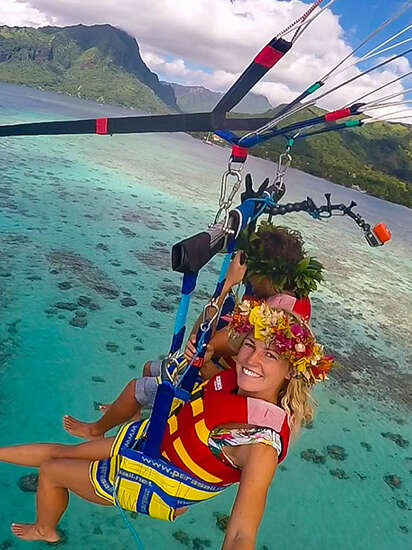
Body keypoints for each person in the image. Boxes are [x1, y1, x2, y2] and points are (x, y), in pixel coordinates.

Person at [0, 303, 332, 549]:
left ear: (291, 371)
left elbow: (241, 532)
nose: (251, 360)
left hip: (153, 480)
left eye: (271, 356)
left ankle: (46, 530)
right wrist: (222, 294)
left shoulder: (259, 444)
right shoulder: (232, 380)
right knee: (64, 452)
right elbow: (211, 339)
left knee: (50, 471)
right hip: (150, 444)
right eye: (250, 345)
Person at [62, 222, 324, 440]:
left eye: (249, 270)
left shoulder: (269, 320)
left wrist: (226, 286)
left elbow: (201, 340)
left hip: (224, 381)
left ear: (265, 274)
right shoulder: (294, 303)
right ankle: (127, 414)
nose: (247, 278)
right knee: (148, 367)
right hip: (237, 373)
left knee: (135, 387)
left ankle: (96, 430)